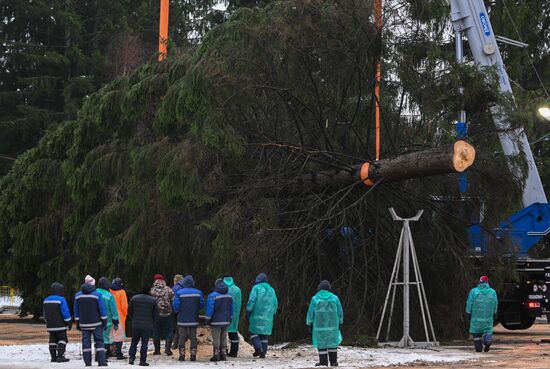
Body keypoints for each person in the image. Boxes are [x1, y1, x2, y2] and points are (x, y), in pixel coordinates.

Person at [306, 280, 343, 367]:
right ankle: (333, 361)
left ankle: (323, 362)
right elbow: (340, 312)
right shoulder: (335, 298)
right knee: (332, 343)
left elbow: (311, 313)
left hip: (319, 327)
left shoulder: (315, 299)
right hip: (333, 326)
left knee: (321, 343)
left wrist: (309, 323)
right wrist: (340, 322)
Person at [74, 275, 108, 367]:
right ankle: (101, 362)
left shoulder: (77, 296)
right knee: (99, 342)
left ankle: (87, 362)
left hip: (84, 324)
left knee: (86, 342)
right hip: (96, 323)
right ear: (93, 284)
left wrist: (78, 323)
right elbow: (102, 310)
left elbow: (76, 311)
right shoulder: (97, 295)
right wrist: (104, 321)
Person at [172, 275, 204, 362]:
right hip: (193, 318)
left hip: (182, 318)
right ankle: (193, 355)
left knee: (182, 336)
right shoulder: (198, 292)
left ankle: (182, 355)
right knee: (193, 337)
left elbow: (175, 306)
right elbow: (201, 305)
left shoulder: (179, 292)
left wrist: (178, 311)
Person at [246, 273, 278, 358]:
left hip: (256, 314)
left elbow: (251, 301)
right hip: (268, 316)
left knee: (253, 332)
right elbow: (275, 303)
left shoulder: (256, 288)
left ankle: (258, 348)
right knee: (264, 335)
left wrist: (248, 310)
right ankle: (263, 353)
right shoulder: (272, 289)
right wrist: (273, 313)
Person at [128, 283, 159, 366]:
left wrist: (133, 320)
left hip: (136, 324)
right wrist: (153, 322)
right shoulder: (153, 300)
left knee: (134, 342)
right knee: (144, 344)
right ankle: (142, 360)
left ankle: (131, 358)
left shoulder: (134, 298)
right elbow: (156, 314)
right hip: (147, 325)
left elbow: (130, 312)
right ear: (149, 290)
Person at [466, 275, 498, 353]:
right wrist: (494, 312)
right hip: (488, 317)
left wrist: (468, 312)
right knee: (487, 330)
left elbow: (469, 303)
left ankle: (478, 348)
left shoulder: (474, 291)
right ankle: (487, 340)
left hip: (476, 318)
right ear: (487, 282)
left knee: (476, 333)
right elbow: (495, 303)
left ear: (480, 282)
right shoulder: (492, 292)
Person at [43, 282, 72, 363]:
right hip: (60, 325)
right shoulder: (61, 299)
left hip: (50, 325)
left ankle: (53, 357)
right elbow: (65, 312)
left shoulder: (46, 300)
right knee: (62, 339)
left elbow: (45, 314)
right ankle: (60, 356)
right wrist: (69, 322)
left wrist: (47, 322)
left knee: (52, 340)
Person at [205, 279, 233, 362]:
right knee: (224, 338)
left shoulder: (212, 296)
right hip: (226, 321)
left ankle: (216, 355)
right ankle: (223, 354)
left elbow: (210, 309)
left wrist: (207, 320)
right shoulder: (229, 296)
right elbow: (232, 309)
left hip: (215, 321)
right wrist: (230, 317)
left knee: (216, 338)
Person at [149, 274, 175, 356]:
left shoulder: (152, 290)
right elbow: (173, 299)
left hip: (156, 314)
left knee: (156, 331)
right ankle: (168, 349)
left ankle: (157, 350)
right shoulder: (168, 289)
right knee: (169, 331)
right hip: (167, 313)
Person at [97, 277, 120, 361]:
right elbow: (113, 309)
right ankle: (104, 355)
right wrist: (116, 321)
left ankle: (97, 354)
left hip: (95, 320)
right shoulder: (109, 296)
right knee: (105, 338)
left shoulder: (94, 293)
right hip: (107, 320)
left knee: (97, 338)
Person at [110, 277, 128, 359]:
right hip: (120, 316)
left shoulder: (109, 291)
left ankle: (110, 351)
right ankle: (118, 353)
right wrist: (125, 314)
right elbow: (124, 306)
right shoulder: (122, 292)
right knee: (119, 336)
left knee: (111, 335)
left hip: (110, 316)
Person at [224, 275, 242, 357]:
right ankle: (234, 352)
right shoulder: (237, 289)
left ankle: (223, 351)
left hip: (224, 313)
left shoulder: (222, 289)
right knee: (233, 332)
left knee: (222, 333)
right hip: (235, 314)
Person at [171, 274, 184, 350]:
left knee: (177, 327)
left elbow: (173, 300)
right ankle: (177, 343)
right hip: (184, 310)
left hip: (176, 309)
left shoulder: (175, 288)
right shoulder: (185, 286)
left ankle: (175, 344)